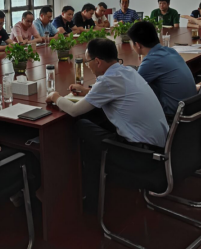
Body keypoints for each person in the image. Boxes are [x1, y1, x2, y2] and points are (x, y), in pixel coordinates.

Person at [45, 39, 168, 209]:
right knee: (96, 123)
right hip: (161, 148)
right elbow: (114, 91)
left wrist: (55, 96)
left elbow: (73, 110)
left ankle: (84, 194)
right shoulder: (128, 71)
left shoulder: (108, 81)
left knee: (81, 125)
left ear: (97, 61)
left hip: (140, 155)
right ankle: (90, 191)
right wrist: (89, 92)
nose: (88, 66)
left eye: (88, 62)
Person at [127, 21, 196, 117]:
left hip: (173, 115)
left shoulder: (151, 61)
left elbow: (131, 90)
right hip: (192, 109)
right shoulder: (171, 51)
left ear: (138, 45)